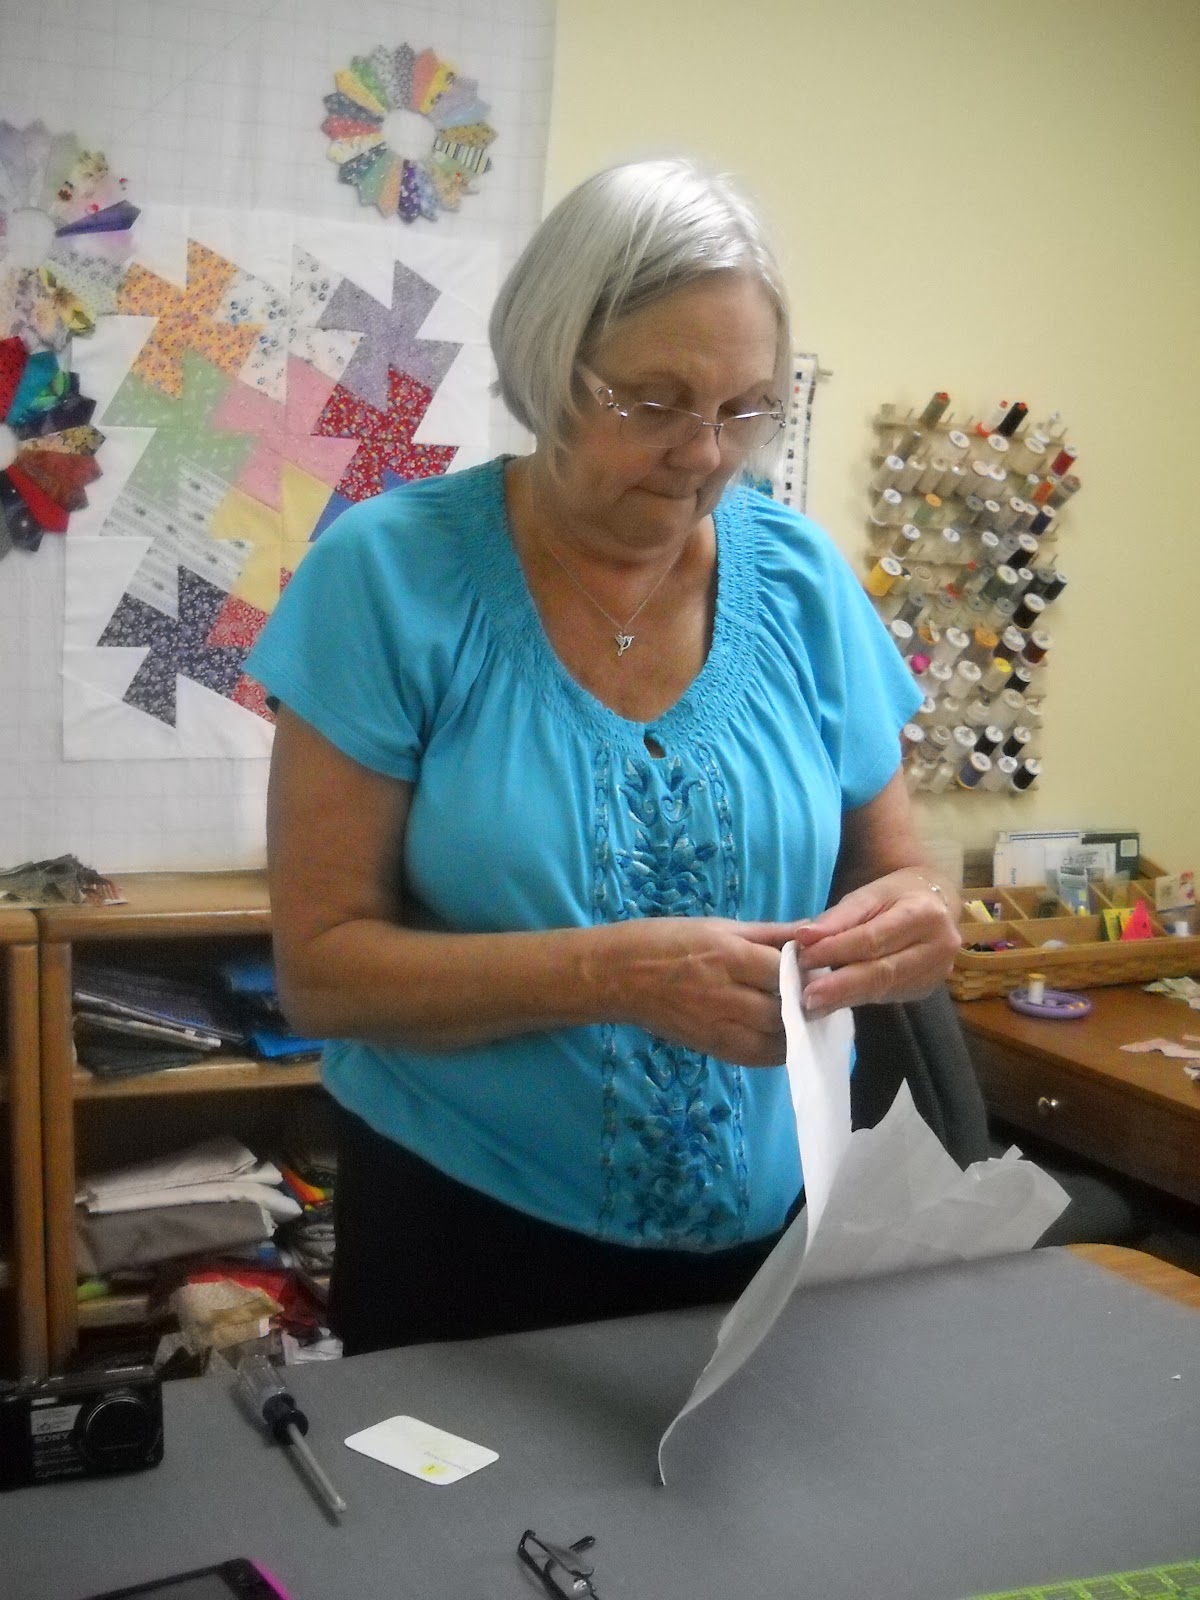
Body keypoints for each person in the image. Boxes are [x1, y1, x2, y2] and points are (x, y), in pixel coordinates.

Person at [246, 157, 961, 1355]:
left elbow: (900, 871)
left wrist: (919, 919)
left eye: (746, 409)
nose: (704, 453)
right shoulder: (389, 577)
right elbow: (323, 973)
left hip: (774, 1242)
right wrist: (612, 973)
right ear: (549, 363)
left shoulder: (801, 581)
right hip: (468, 1239)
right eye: (655, 401)